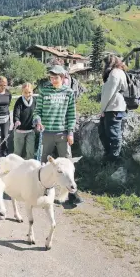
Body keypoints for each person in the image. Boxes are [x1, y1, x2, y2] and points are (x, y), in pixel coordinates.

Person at [33, 64, 83, 205]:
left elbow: (71, 115)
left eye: (56, 77)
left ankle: (72, 195)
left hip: (62, 133)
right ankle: (41, 190)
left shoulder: (68, 92)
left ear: (62, 77)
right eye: (51, 77)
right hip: (46, 133)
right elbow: (37, 111)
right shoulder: (44, 91)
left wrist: (70, 133)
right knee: (42, 163)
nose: (53, 80)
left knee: (67, 164)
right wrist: (38, 121)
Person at [98, 54, 128, 165]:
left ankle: (114, 159)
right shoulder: (120, 72)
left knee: (113, 134)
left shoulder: (114, 73)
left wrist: (102, 110)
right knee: (104, 132)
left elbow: (108, 94)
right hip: (116, 107)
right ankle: (110, 155)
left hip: (113, 108)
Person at [13, 83, 36, 159]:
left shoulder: (35, 101)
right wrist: (17, 121)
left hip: (30, 130)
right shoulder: (19, 101)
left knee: (30, 152)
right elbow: (16, 113)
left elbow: (37, 113)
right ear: (22, 92)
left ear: (32, 92)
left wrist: (38, 122)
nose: (27, 94)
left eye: (29, 92)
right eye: (25, 92)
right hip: (20, 131)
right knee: (17, 152)